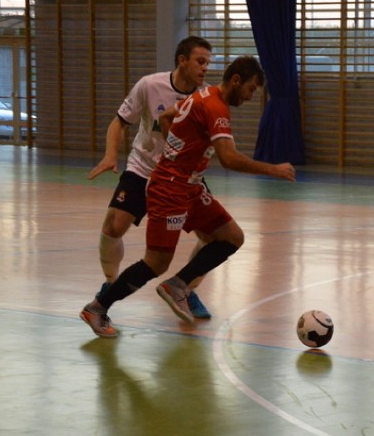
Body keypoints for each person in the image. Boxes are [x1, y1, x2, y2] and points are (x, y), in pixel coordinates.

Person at [79, 56, 296, 338]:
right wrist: (274, 170)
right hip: (170, 189)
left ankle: (179, 285)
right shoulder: (215, 106)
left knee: (232, 237)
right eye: (251, 89)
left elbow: (166, 116)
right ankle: (97, 308)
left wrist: (179, 150)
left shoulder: (202, 95)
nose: (251, 96)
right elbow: (228, 159)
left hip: (191, 187)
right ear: (236, 80)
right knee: (155, 263)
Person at [87, 36, 214, 318]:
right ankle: (109, 284)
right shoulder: (149, 85)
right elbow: (119, 121)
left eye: (208, 62)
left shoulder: (206, 98)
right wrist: (110, 155)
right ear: (182, 60)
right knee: (113, 226)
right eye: (200, 61)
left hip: (184, 177)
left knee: (214, 236)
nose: (206, 68)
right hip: (144, 169)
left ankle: (187, 290)